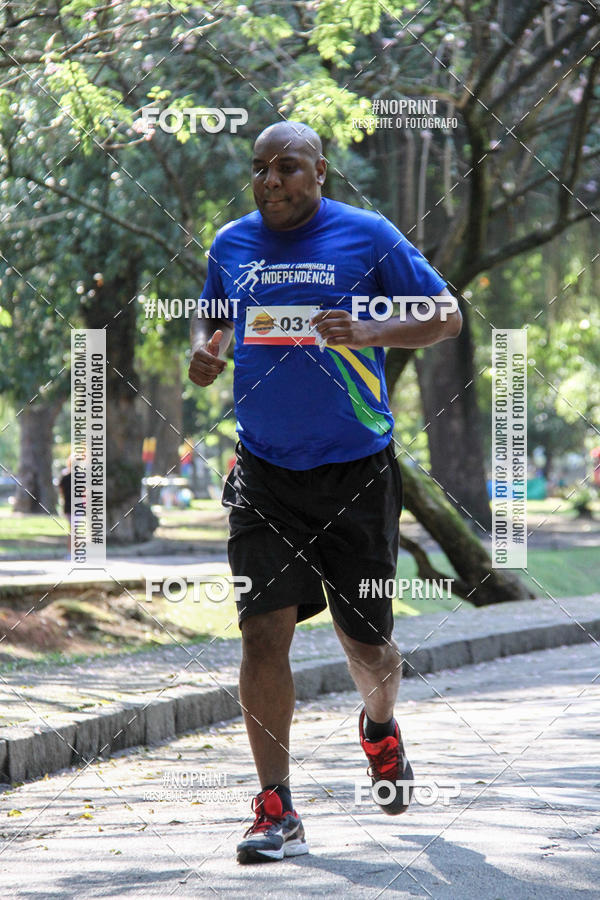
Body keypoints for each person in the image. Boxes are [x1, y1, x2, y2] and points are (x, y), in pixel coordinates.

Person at [188, 121, 462, 864]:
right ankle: (276, 808)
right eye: (260, 168)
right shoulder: (232, 243)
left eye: (287, 167)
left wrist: (370, 330)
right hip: (263, 471)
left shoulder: (368, 235)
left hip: (356, 472)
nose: (270, 181)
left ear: (320, 172)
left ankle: (379, 727)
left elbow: (446, 316)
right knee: (261, 632)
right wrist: (206, 348)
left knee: (366, 643)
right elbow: (213, 311)